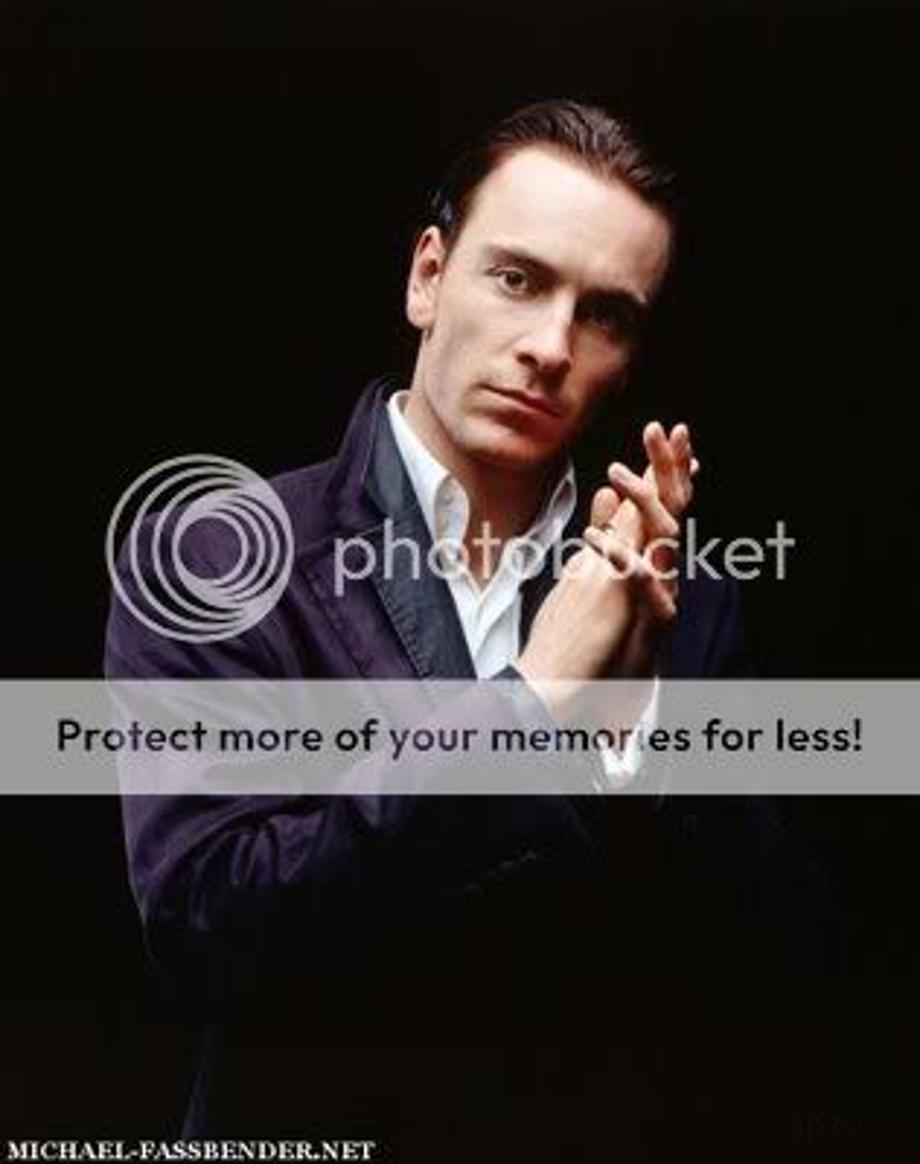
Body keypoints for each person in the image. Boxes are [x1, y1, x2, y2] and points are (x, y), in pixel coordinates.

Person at [106, 101, 830, 1159]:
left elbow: (783, 979)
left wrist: (636, 746)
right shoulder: (216, 559)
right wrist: (524, 711)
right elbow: (210, 931)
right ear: (428, 277)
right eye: (518, 280)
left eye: (604, 315)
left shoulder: (685, 596)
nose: (550, 348)